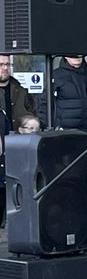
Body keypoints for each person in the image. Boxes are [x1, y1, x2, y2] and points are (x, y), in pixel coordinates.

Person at [49, 54, 87, 223]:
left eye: (79, 54)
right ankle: (65, 212)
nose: (76, 57)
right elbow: (45, 105)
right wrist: (55, 127)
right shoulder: (55, 76)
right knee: (64, 175)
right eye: (72, 54)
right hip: (64, 135)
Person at [0, 54, 39, 226]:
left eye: (7, 64)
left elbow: (33, 113)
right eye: (1, 64)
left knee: (17, 189)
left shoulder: (20, 90)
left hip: (19, 148)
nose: (5, 68)